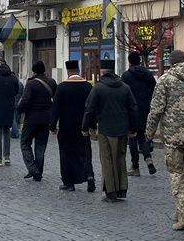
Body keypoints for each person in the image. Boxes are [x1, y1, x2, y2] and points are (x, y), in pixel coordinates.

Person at [145, 50, 184, 228]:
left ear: (172, 63)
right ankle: (181, 212)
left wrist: (150, 131)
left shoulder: (165, 81)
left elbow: (156, 109)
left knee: (176, 175)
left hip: (173, 137)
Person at [83, 58, 138, 202]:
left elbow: (90, 109)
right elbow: (133, 109)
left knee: (107, 160)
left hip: (106, 130)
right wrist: (133, 128)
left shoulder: (98, 88)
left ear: (102, 72)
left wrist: (87, 126)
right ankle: (121, 189)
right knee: (120, 159)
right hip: (122, 129)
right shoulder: (125, 87)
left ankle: (110, 191)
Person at [51, 60, 95, 192]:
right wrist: (92, 125)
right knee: (85, 151)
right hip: (83, 126)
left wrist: (52, 125)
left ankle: (69, 182)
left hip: (66, 127)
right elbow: (92, 108)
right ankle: (89, 175)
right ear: (78, 71)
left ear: (68, 72)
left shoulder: (62, 87)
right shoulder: (87, 86)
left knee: (66, 154)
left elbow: (56, 109)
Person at [14, 60, 55, 180]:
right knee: (40, 146)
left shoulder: (31, 83)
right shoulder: (52, 82)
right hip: (45, 119)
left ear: (34, 71)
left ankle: (32, 168)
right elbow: (56, 100)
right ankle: (38, 173)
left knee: (25, 143)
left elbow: (26, 100)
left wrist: (19, 110)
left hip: (31, 119)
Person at [122, 51, 157, 177]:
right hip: (145, 109)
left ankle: (135, 166)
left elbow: (123, 93)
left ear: (129, 61)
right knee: (142, 135)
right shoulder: (148, 74)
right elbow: (155, 90)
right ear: (140, 60)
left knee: (132, 136)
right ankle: (148, 158)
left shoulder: (126, 76)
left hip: (132, 109)